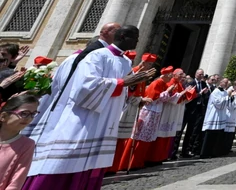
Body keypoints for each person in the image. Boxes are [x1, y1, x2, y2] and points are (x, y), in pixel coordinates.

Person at [23, 25, 154, 190]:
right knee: (66, 159)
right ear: (122, 36)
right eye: (135, 38)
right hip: (85, 117)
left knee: (94, 163)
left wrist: (131, 86)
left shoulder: (126, 61)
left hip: (107, 119)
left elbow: (123, 91)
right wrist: (122, 83)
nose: (137, 42)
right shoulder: (97, 55)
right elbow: (84, 87)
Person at [108, 52, 156, 173]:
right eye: (149, 64)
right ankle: (109, 167)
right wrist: (141, 100)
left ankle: (115, 166)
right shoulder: (135, 74)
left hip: (132, 109)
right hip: (125, 109)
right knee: (117, 137)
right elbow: (128, 94)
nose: (150, 67)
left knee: (122, 138)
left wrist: (141, 100)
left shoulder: (142, 75)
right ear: (143, 63)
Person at [122, 66, 177, 170]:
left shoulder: (163, 83)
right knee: (141, 137)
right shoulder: (157, 83)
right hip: (149, 112)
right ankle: (133, 163)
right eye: (170, 75)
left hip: (155, 113)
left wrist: (169, 92)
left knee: (147, 138)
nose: (171, 77)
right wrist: (167, 91)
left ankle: (139, 162)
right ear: (165, 75)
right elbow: (153, 99)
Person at [0, 94, 38, 190]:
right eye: (24, 113)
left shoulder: (27, 145)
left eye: (33, 114)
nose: (29, 118)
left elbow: (16, 182)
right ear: (3, 116)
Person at [180, 68, 209, 157]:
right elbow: (189, 96)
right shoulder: (191, 83)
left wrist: (205, 93)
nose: (201, 76)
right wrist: (199, 93)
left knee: (190, 132)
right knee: (180, 130)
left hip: (197, 110)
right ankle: (173, 152)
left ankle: (185, 151)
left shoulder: (203, 84)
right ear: (196, 74)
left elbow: (206, 96)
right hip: (188, 109)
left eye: (202, 74)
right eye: (200, 74)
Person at [200, 77, 230, 159]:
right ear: (221, 82)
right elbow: (218, 103)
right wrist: (227, 98)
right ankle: (204, 153)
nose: (226, 84)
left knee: (217, 135)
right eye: (224, 82)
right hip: (214, 116)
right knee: (209, 135)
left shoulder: (225, 92)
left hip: (221, 116)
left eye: (227, 83)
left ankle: (214, 152)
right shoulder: (215, 91)